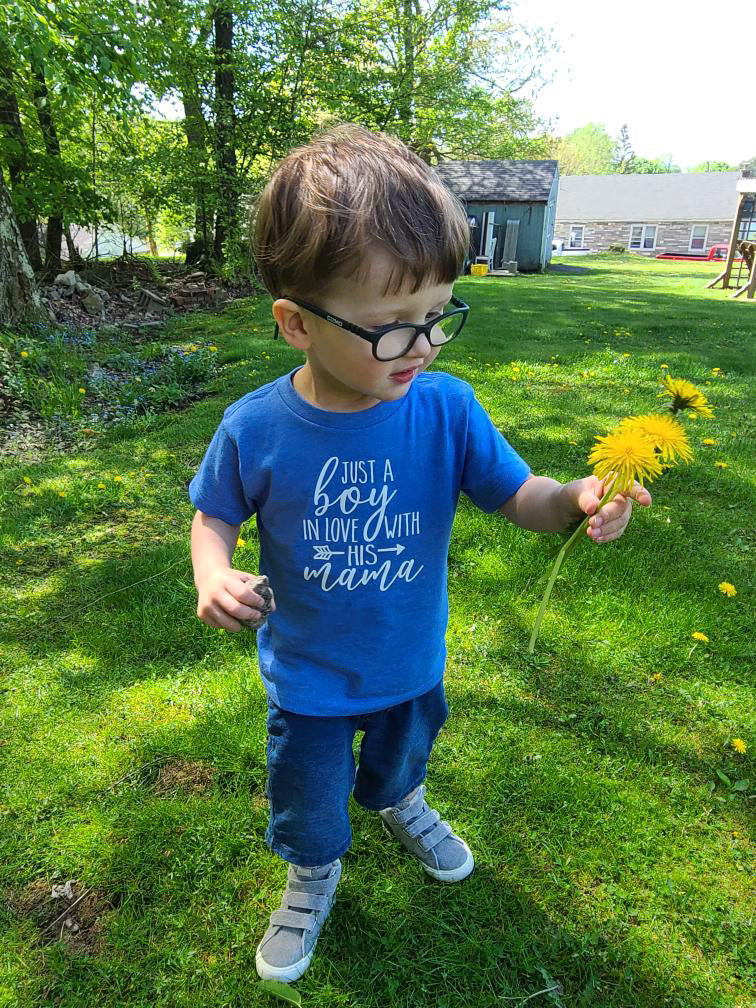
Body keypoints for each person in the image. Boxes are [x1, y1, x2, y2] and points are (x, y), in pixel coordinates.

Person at [188, 122, 652, 984]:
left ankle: (403, 800)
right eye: (393, 325)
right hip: (312, 674)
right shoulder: (255, 427)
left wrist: (577, 499)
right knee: (310, 796)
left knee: (401, 757)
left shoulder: (447, 409)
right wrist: (212, 571)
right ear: (296, 323)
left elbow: (519, 495)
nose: (426, 344)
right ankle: (311, 872)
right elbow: (213, 513)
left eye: (438, 315)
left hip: (410, 659)